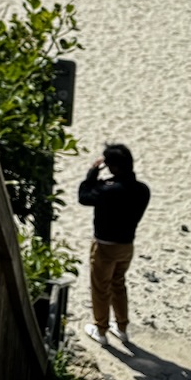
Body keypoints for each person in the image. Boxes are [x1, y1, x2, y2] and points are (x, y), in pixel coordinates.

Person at [79, 143, 151, 346]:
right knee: (118, 284)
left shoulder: (108, 190)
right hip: (126, 246)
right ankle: (122, 327)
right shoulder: (142, 190)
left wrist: (92, 173)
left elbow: (84, 197)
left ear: (113, 167)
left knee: (100, 288)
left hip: (104, 246)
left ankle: (101, 330)